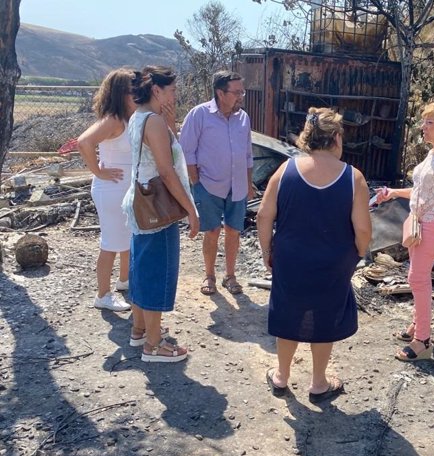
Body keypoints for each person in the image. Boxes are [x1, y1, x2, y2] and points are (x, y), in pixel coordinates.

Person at [257, 107, 371, 403]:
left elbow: (263, 216)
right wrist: (358, 253)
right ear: (335, 137)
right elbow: (362, 229)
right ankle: (318, 382)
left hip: (290, 258)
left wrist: (267, 251)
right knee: (325, 314)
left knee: (289, 311)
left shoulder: (286, 169)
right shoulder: (353, 177)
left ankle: (281, 376)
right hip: (334, 262)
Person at [376, 97, 434, 361]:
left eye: (430, 123)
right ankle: (418, 326)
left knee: (417, 278)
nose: (423, 127)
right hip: (418, 221)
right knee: (417, 276)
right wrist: (393, 192)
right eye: (424, 122)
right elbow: (421, 190)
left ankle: (423, 341)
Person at [122, 65, 199, 362]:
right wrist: (191, 209)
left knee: (141, 268)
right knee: (157, 271)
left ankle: (140, 329)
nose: (174, 93)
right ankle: (154, 345)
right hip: (157, 207)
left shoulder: (139, 117)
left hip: (140, 202)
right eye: (171, 89)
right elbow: (167, 172)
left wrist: (169, 117)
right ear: (156, 90)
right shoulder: (152, 122)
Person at [179, 70, 254, 296]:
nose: (241, 96)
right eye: (237, 92)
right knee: (211, 232)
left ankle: (230, 276)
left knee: (233, 231)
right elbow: (186, 152)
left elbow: (248, 155)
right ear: (221, 93)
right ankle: (209, 276)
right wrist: (196, 183)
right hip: (208, 185)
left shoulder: (244, 118)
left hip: (238, 186)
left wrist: (249, 184)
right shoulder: (199, 114)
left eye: (242, 91)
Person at [78, 68, 136, 312]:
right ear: (122, 93)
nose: (139, 93)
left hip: (125, 188)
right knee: (111, 242)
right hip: (111, 188)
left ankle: (124, 281)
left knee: (127, 237)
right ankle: (103, 294)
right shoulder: (112, 119)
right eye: (135, 89)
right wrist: (98, 172)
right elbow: (84, 142)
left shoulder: (130, 117)